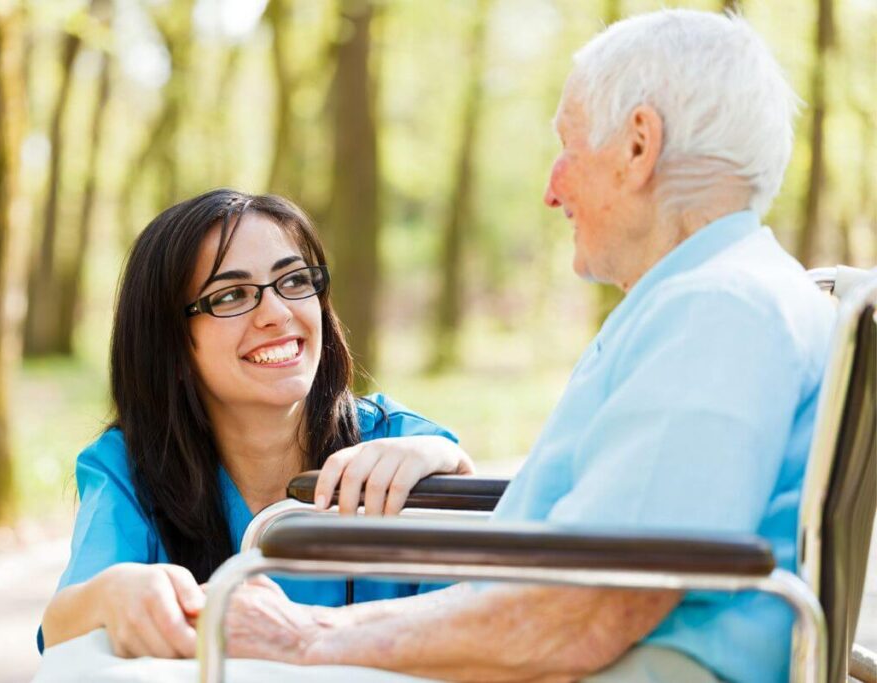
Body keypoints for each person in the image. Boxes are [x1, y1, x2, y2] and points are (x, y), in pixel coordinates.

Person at [222, 10, 835, 683]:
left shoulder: (717, 311)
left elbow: (588, 608)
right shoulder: (711, 297)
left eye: (569, 147)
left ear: (638, 147)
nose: (552, 188)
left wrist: (307, 637)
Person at [38, 190, 473, 658]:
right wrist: (112, 594)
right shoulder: (131, 468)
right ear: (173, 345)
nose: (278, 314)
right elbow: (62, 625)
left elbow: (493, 614)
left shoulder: (398, 443)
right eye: (230, 295)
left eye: (293, 281)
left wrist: (449, 461)